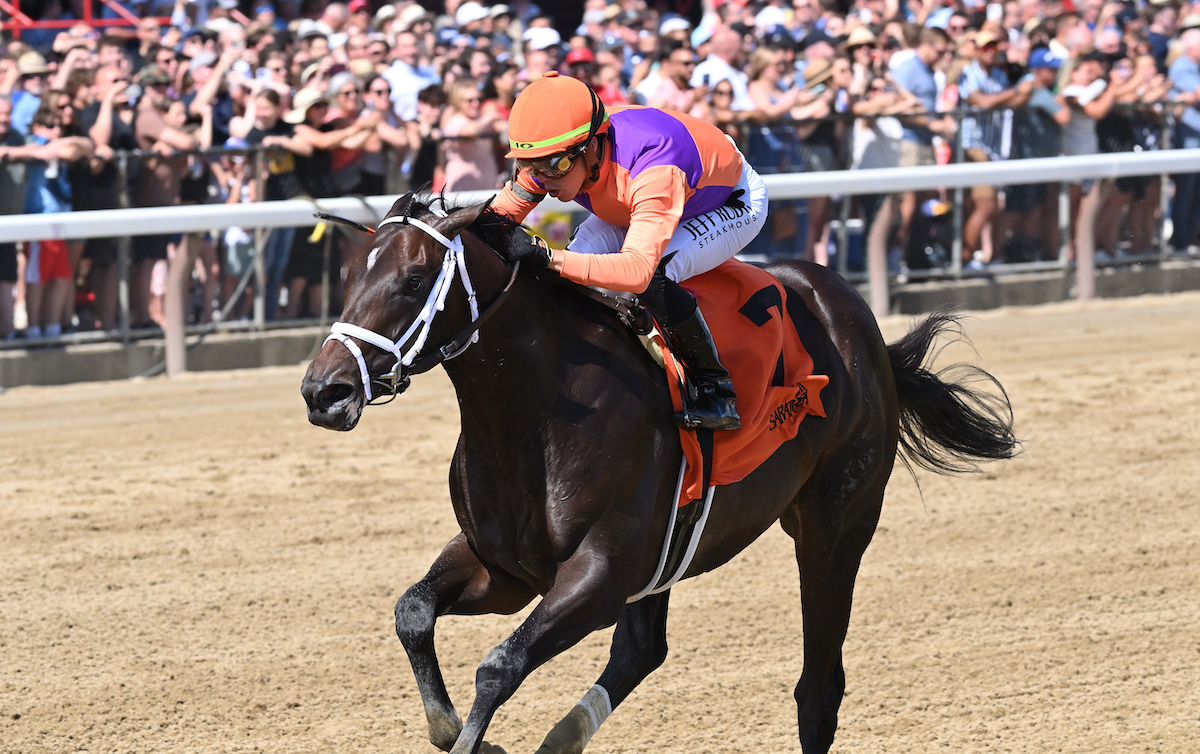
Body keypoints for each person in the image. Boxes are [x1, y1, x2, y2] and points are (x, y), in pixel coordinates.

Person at [494, 72, 770, 431]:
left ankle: (716, 390)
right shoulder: (556, 152)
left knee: (654, 275)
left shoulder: (655, 163)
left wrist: (548, 257)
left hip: (727, 201)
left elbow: (637, 271)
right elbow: (497, 218)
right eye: (531, 166)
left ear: (592, 146)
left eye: (555, 166)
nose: (542, 178)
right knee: (575, 272)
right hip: (630, 198)